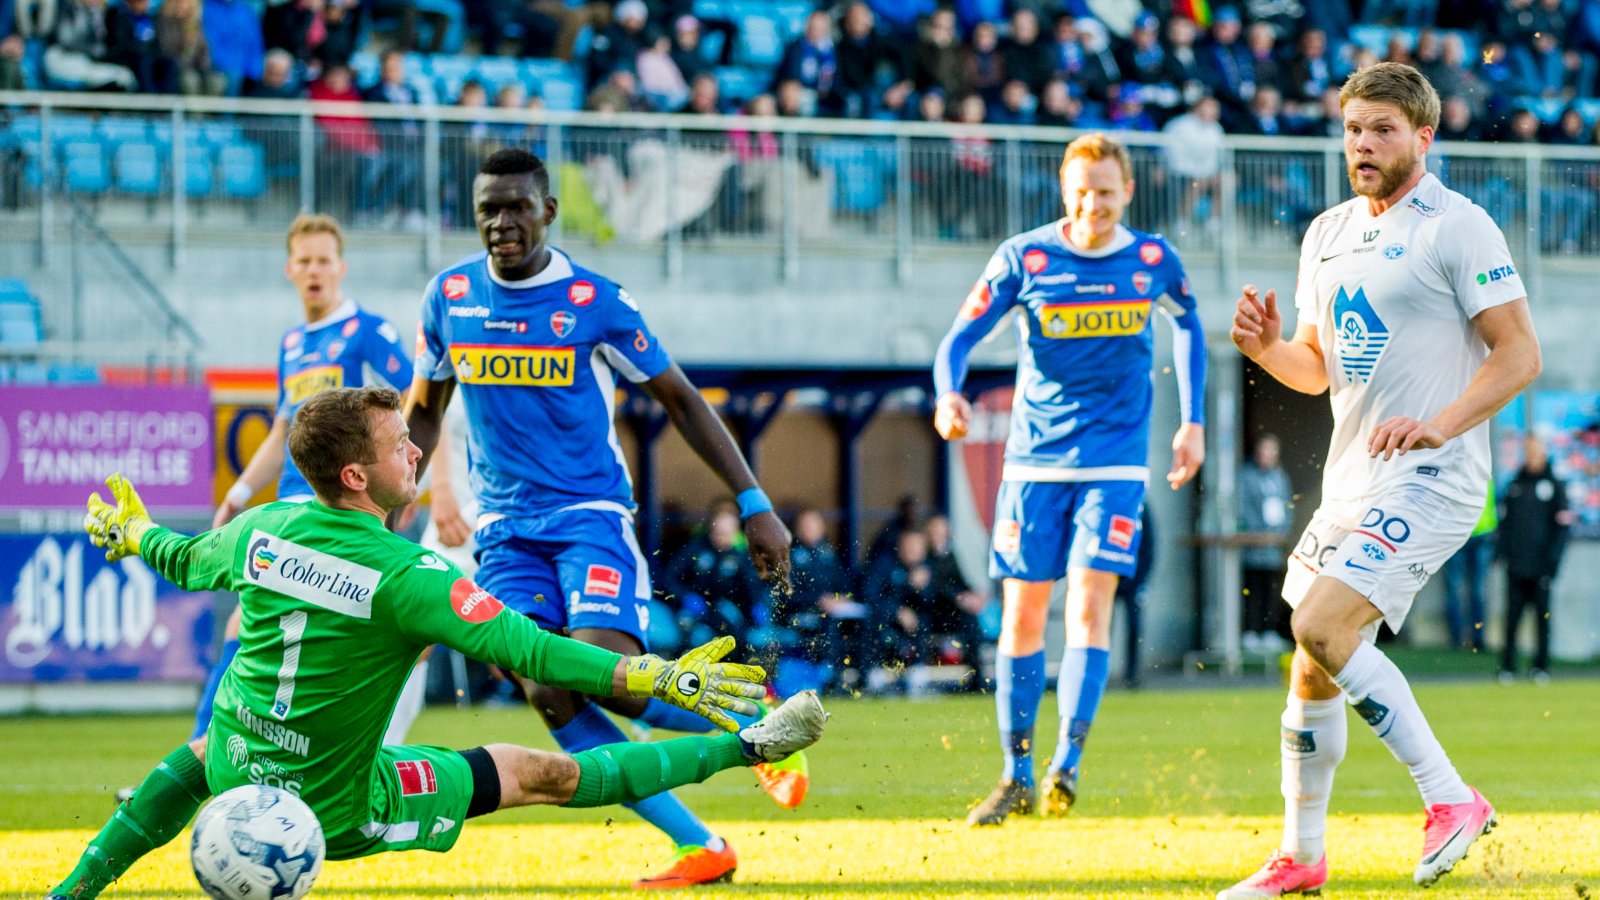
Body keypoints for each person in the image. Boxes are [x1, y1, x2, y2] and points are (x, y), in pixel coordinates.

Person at [48, 386, 826, 900]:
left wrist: (133, 532)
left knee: (198, 756)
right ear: (357, 477)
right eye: (400, 446)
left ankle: (70, 891)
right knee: (542, 774)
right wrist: (654, 677)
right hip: (340, 806)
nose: (417, 452)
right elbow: (535, 653)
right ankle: (749, 746)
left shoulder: (261, 527)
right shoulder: (410, 577)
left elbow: (184, 558)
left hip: (239, 762)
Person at [403, 148, 805, 888]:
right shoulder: (449, 296)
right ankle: (702, 847)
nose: (502, 222)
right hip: (505, 533)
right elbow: (424, 414)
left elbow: (681, 399)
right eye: (489, 209)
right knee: (548, 689)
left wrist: (754, 503)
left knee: (609, 677)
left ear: (549, 211)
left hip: (589, 516)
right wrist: (385, 506)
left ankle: (755, 722)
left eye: (518, 207)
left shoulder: (594, 301)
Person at [1219, 63, 1541, 898]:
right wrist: (1266, 350)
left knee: (1323, 625)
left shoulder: (1458, 226)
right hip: (1353, 481)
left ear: (1423, 138)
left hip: (1437, 474)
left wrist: (1442, 421)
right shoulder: (1326, 232)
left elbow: (1519, 354)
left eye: (1382, 130)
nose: (1362, 145)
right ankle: (1302, 857)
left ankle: (1451, 799)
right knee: (1312, 662)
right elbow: (1317, 368)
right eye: (1354, 129)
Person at [933, 131, 1207, 826]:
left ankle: (1067, 764)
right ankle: (1016, 773)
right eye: (1082, 193)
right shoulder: (1023, 258)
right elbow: (958, 339)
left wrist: (1193, 421)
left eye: (1106, 193)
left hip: (1115, 462)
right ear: (1065, 191)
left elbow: (1190, 326)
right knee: (1024, 614)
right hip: (1034, 462)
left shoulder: (1152, 260)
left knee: (1089, 605)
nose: (1094, 206)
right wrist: (948, 394)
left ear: (1128, 192)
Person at [199, 214, 420, 751]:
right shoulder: (293, 344)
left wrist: (416, 475)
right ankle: (222, 755)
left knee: (254, 628)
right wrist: (238, 494)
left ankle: (205, 759)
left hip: (342, 508)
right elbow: (283, 429)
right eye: (305, 261)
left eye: (324, 260)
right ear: (290, 270)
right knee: (258, 630)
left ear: (341, 268)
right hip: (295, 508)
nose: (314, 270)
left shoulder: (367, 332)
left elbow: (418, 402)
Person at [1497, 437, 1570, 684]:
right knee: (1512, 619)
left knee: (1542, 619)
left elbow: (1561, 529)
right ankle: (1508, 667)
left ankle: (1541, 667)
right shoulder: (1515, 485)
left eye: (1535, 452)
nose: (1531, 457)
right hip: (1516, 565)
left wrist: (1553, 562)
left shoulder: (1555, 486)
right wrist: (1502, 553)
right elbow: (1506, 524)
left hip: (1542, 567)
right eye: (1528, 452)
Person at [1238, 433, 1293, 653]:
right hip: (1254, 547)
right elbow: (1243, 506)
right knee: (1253, 590)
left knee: (1272, 590)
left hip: (1274, 547)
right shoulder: (1247, 476)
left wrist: (1281, 531)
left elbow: (1287, 505)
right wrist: (1257, 532)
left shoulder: (1280, 477)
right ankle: (1251, 631)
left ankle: (1269, 630)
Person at [1440, 481, 1495, 651]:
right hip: (1457, 534)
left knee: (1477, 590)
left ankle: (1477, 639)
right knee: (1457, 589)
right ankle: (1457, 639)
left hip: (1481, 534)